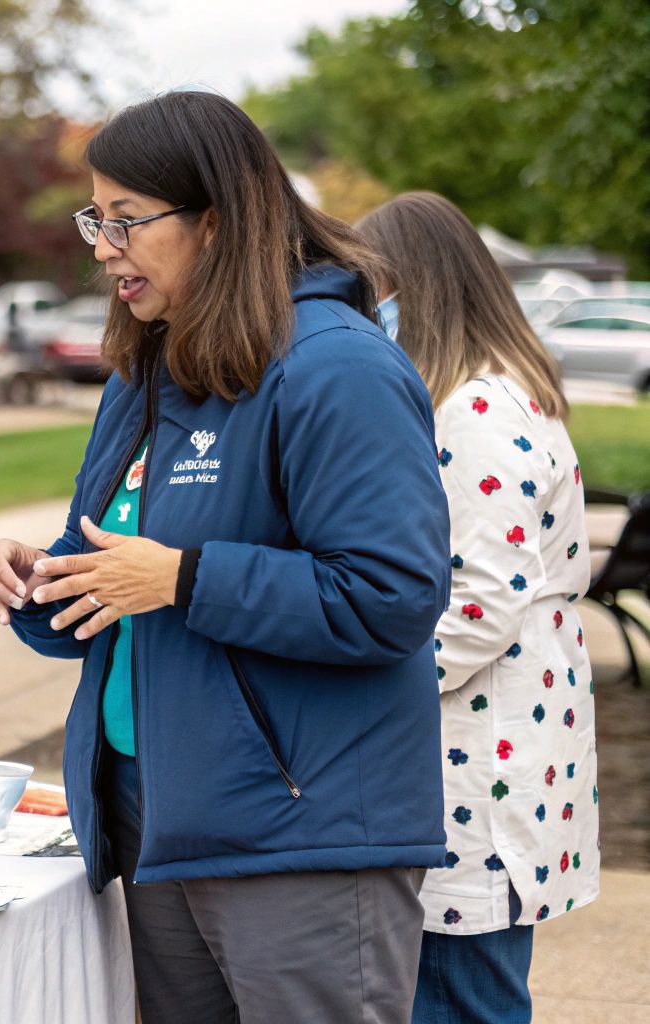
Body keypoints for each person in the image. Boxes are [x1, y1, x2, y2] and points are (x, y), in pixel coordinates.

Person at [0, 90, 452, 1023]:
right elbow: (109, 568)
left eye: (125, 222)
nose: (102, 247)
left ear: (217, 223)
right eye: (95, 221)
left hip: (297, 834)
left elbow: (391, 596)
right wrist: (42, 579)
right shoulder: (147, 372)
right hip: (156, 816)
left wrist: (184, 580)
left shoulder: (337, 369)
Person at [357, 192, 599, 1024]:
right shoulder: (491, 394)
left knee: (462, 991)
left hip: (483, 753)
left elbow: (477, 606)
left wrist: (359, 691)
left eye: (373, 289)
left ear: (414, 289)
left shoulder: (475, 410)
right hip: (499, 734)